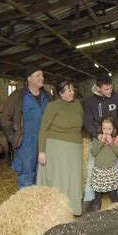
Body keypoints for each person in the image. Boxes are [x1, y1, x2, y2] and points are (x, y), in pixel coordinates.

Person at [36, 80, 83, 215]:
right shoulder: (52, 106)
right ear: (61, 93)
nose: (72, 92)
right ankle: (54, 210)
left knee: (73, 179)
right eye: (68, 90)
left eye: (73, 89)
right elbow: (43, 130)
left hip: (75, 148)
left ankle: (72, 209)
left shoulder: (77, 104)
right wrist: (41, 151)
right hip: (55, 147)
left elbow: (82, 123)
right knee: (57, 179)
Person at [0, 66, 52, 188]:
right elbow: (4, 118)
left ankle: (40, 204)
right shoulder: (17, 96)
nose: (42, 78)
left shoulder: (48, 96)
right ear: (29, 78)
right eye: (38, 75)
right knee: (26, 176)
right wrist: (12, 137)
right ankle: (27, 204)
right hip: (25, 143)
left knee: (43, 176)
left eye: (42, 75)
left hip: (45, 142)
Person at [83, 74, 118, 213]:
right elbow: (87, 122)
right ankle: (89, 205)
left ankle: (117, 206)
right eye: (106, 89)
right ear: (98, 88)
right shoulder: (90, 101)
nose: (110, 91)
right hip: (98, 140)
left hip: (115, 141)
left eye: (111, 88)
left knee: (117, 174)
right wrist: (98, 136)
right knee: (92, 174)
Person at [91, 116, 118, 211]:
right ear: (101, 128)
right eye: (104, 128)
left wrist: (111, 143)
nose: (106, 131)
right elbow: (93, 153)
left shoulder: (116, 140)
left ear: (114, 129)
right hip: (99, 172)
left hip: (111, 172)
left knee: (113, 196)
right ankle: (95, 217)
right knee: (97, 197)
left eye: (109, 129)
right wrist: (101, 142)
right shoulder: (97, 139)